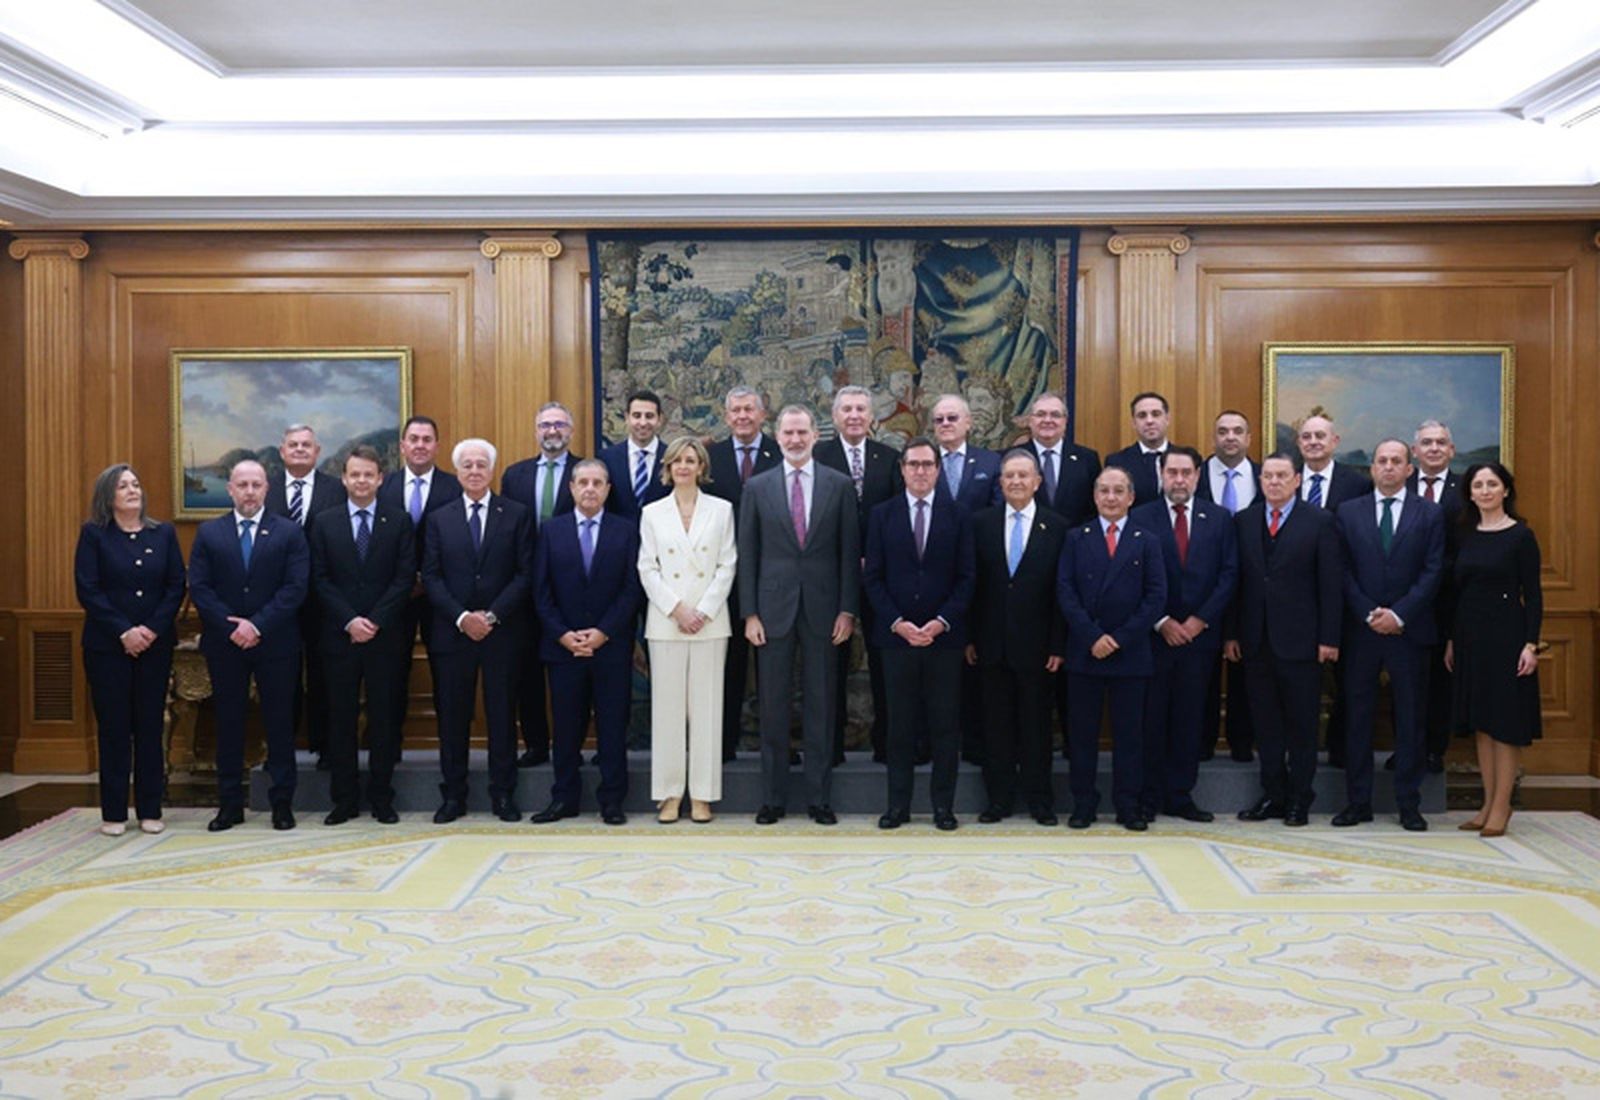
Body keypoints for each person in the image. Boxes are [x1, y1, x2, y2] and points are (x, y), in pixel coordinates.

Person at [738, 405, 859, 826]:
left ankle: (818, 799)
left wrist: (848, 609)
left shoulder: (839, 485)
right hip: (771, 612)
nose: (794, 439)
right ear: (777, 434)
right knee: (772, 707)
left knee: (821, 706)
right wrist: (749, 613)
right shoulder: (757, 487)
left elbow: (848, 552)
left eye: (802, 432)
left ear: (814, 434)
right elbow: (748, 553)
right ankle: (773, 799)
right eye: (787, 432)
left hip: (825, 612)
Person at [187, 459, 310, 832]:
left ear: (266, 489)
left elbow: (295, 588)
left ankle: (282, 804)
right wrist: (233, 627)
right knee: (228, 722)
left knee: (279, 724)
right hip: (226, 644)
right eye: (242, 484)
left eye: (256, 484)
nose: (250, 491)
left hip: (276, 642)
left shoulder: (289, 533)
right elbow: (200, 588)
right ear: (230, 489)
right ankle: (229, 806)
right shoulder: (210, 533)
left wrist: (257, 625)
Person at [1333, 439, 1444, 831]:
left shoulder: (1429, 514)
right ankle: (1357, 802)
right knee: (1357, 719)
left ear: (1409, 469)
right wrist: (1369, 613)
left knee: (1411, 720)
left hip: (1409, 632)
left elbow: (1433, 572)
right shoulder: (1348, 512)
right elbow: (1341, 571)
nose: (1389, 467)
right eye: (1382, 461)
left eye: (1397, 461)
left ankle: (1408, 804)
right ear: (1372, 468)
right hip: (1361, 631)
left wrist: (1399, 614)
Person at [865, 437, 976, 831]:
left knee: (945, 726)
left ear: (938, 469)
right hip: (895, 639)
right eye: (913, 464)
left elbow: (967, 579)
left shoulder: (960, 515)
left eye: (928, 464)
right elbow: (873, 577)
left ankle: (943, 807)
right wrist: (899, 623)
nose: (920, 471)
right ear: (903, 469)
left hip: (943, 639)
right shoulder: (882, 515)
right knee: (900, 727)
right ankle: (898, 807)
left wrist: (940, 622)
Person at [1226, 453, 1342, 827]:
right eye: (1268, 476)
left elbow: (1330, 584)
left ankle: (1299, 799)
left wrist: (1329, 637)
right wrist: (1231, 633)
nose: (1274, 482)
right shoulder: (1244, 521)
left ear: (1296, 481)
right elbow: (1235, 583)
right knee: (1267, 725)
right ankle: (1273, 795)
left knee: (1302, 725)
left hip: (1302, 642)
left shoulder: (1320, 521)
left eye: (1282, 476)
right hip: (1255, 641)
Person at [422, 438, 534, 824]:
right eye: (467, 465)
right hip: (452, 634)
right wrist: (462, 617)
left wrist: (491, 616)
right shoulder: (439, 517)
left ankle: (503, 794)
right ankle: (453, 796)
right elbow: (431, 577)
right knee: (452, 718)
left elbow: (525, 574)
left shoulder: (517, 514)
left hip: (501, 633)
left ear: (491, 470)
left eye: (481, 465)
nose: (474, 471)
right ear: (458, 471)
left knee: (502, 716)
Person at [74, 464, 186, 836]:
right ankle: (114, 813)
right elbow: (88, 589)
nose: (132, 490)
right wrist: (124, 631)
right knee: (114, 727)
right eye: (123, 486)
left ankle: (151, 809)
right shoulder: (94, 535)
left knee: (150, 725)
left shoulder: (164, 533)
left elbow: (175, 586)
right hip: (107, 647)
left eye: (136, 484)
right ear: (109, 495)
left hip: (155, 646)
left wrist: (151, 630)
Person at [531, 459, 642, 826]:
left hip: (610, 646)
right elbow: (540, 591)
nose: (590, 489)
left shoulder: (626, 531)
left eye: (598, 483)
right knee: (566, 729)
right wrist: (563, 634)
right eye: (583, 482)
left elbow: (631, 590)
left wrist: (603, 632)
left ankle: (612, 800)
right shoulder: (551, 531)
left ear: (609, 489)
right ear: (572, 488)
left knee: (612, 727)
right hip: (563, 649)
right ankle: (564, 799)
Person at [308, 445, 415, 826]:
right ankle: (345, 800)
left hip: (386, 637)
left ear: (380, 478)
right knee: (341, 719)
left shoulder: (399, 521)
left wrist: (374, 620)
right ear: (344, 478)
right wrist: (350, 620)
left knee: (385, 720)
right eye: (355, 475)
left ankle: (382, 799)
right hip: (340, 637)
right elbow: (319, 578)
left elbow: (404, 579)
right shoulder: (325, 521)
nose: (361, 481)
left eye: (369, 475)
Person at [1056, 466, 1167, 831]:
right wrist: (1093, 637)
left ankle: (1128, 805)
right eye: (1104, 490)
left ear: (1131, 497)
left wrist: (1118, 638)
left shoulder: (1146, 539)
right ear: (1094, 495)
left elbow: (1156, 597)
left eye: (1119, 490)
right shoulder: (1076, 537)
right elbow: (1065, 592)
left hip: (1130, 653)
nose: (1111, 497)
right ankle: (1083, 803)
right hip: (1085, 651)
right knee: (1083, 736)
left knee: (1130, 736)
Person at [1130, 447, 1237, 823]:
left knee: (1189, 720)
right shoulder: (1140, 516)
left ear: (1197, 476)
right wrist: (1162, 621)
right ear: (1161, 475)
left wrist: (1199, 621)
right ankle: (1148, 796)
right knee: (1151, 719)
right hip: (1154, 637)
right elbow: (1134, 576)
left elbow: (1228, 575)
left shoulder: (1219, 518)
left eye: (1185, 472)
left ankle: (1180, 795)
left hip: (1199, 639)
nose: (1178, 479)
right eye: (1171, 472)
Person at [966, 448, 1067, 826]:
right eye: (1009, 476)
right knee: (996, 728)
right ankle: (999, 800)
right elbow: (972, 588)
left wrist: (1058, 644)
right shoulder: (981, 523)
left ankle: (1040, 801)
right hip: (990, 646)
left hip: (1040, 649)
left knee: (1037, 728)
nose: (1016, 482)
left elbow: (1062, 592)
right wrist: (970, 639)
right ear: (1000, 481)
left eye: (1024, 475)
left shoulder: (1057, 527)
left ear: (1038, 482)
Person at [640, 438, 737, 823]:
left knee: (706, 711)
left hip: (710, 623)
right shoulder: (651, 513)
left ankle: (702, 795)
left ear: (702, 467)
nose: (683, 466)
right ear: (667, 467)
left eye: (691, 460)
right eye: (677, 460)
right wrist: (677, 609)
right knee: (667, 711)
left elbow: (727, 565)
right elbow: (647, 567)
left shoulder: (722, 510)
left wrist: (703, 610)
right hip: (666, 621)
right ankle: (668, 794)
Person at [1446, 461, 1541, 838]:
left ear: (1505, 490)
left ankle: (1503, 806)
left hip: (1508, 637)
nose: (1485, 490)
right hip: (1470, 637)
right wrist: (1453, 639)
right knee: (1482, 725)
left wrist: (1531, 644)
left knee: (1505, 725)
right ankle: (1487, 804)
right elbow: (1458, 593)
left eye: (1492, 484)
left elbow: (1533, 595)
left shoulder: (1521, 536)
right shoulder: (1465, 534)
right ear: (1470, 493)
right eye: (1478, 485)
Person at [815, 384, 902, 763]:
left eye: (860, 409)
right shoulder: (817, 457)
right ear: (834, 417)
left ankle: (887, 746)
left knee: (885, 664)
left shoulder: (890, 457)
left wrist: (874, 558)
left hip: (881, 580)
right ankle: (830, 749)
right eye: (846, 409)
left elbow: (899, 515)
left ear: (872, 418)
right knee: (830, 665)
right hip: (831, 580)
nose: (853, 415)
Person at [501, 401, 582, 769]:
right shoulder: (514, 476)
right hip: (523, 589)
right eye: (546, 425)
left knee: (573, 674)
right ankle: (535, 743)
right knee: (527, 671)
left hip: (572, 588)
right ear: (536, 431)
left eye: (560, 425)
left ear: (571, 430)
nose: (552, 431)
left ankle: (573, 745)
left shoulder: (586, 472)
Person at [264, 423, 347, 769]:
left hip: (324, 601)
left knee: (326, 675)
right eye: (293, 445)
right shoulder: (265, 490)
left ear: (317, 452)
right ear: (282, 451)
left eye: (306, 445)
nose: (299, 449)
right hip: (277, 601)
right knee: (279, 680)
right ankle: (279, 752)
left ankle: (327, 748)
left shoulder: (335, 489)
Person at [703, 386, 779, 761]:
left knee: (773, 667)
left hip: (773, 576)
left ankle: (775, 745)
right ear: (726, 415)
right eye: (736, 410)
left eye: (750, 409)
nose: (743, 416)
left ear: (763, 414)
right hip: (722, 579)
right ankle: (725, 741)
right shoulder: (710, 457)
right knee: (727, 664)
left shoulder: (780, 454)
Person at [377, 414, 462, 742]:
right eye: (414, 439)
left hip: (441, 600)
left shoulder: (455, 487)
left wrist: (428, 580)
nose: (420, 445)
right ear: (402, 446)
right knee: (392, 677)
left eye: (427, 440)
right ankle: (390, 751)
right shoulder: (384, 487)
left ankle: (450, 753)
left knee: (447, 679)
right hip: (394, 600)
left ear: (437, 446)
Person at [1295, 413, 1370, 770]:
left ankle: (1341, 753)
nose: (1313, 442)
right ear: (1298, 444)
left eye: (1320, 436)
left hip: (1346, 598)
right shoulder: (1286, 481)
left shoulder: (1356, 485)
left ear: (1335, 441)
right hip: (1296, 603)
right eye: (1306, 436)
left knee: (1347, 683)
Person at [1195, 410, 1258, 762]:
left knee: (1244, 673)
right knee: (1202, 675)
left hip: (1251, 592)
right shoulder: (1195, 476)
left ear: (1249, 438)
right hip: (1203, 593)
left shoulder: (1267, 477)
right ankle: (1202, 745)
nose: (1230, 437)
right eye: (1222, 431)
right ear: (1214, 438)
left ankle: (1242, 744)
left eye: (1237, 431)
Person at [1403, 419, 1461, 775]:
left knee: (1440, 680)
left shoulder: (1465, 489)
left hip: (1446, 603)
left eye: (1441, 442)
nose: (1434, 448)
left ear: (1451, 450)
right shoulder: (1398, 485)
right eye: (1427, 442)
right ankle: (1406, 748)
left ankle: (1434, 750)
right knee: (1404, 680)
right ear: (1415, 450)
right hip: (1405, 603)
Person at [1026, 392, 1100, 526]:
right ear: (1030, 420)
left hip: (1075, 541)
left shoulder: (1087, 459)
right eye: (1041, 414)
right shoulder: (1012, 458)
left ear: (1065, 421)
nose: (1047, 420)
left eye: (1055, 415)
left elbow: (1095, 507)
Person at [600, 389, 669, 520]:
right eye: (637, 416)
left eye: (649, 416)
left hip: (660, 537)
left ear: (659, 419)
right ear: (627, 418)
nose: (643, 423)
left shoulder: (672, 458)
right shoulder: (606, 458)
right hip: (619, 537)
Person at [1105, 392, 1173, 505]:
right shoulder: (1117, 462)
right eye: (1142, 416)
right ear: (1134, 423)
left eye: (1156, 414)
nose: (1149, 421)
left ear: (1167, 419)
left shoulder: (1185, 459)